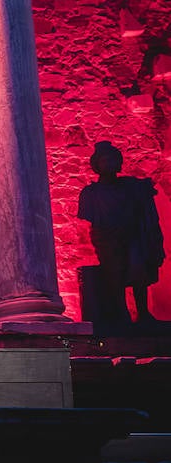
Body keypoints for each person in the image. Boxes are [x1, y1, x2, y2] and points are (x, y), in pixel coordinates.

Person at [77, 140, 164, 328]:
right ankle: (121, 313)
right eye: (104, 160)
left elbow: (146, 192)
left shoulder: (131, 187)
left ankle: (143, 313)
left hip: (131, 237)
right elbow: (89, 220)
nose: (109, 164)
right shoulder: (91, 194)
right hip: (107, 240)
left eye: (112, 160)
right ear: (96, 165)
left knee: (138, 272)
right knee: (114, 275)